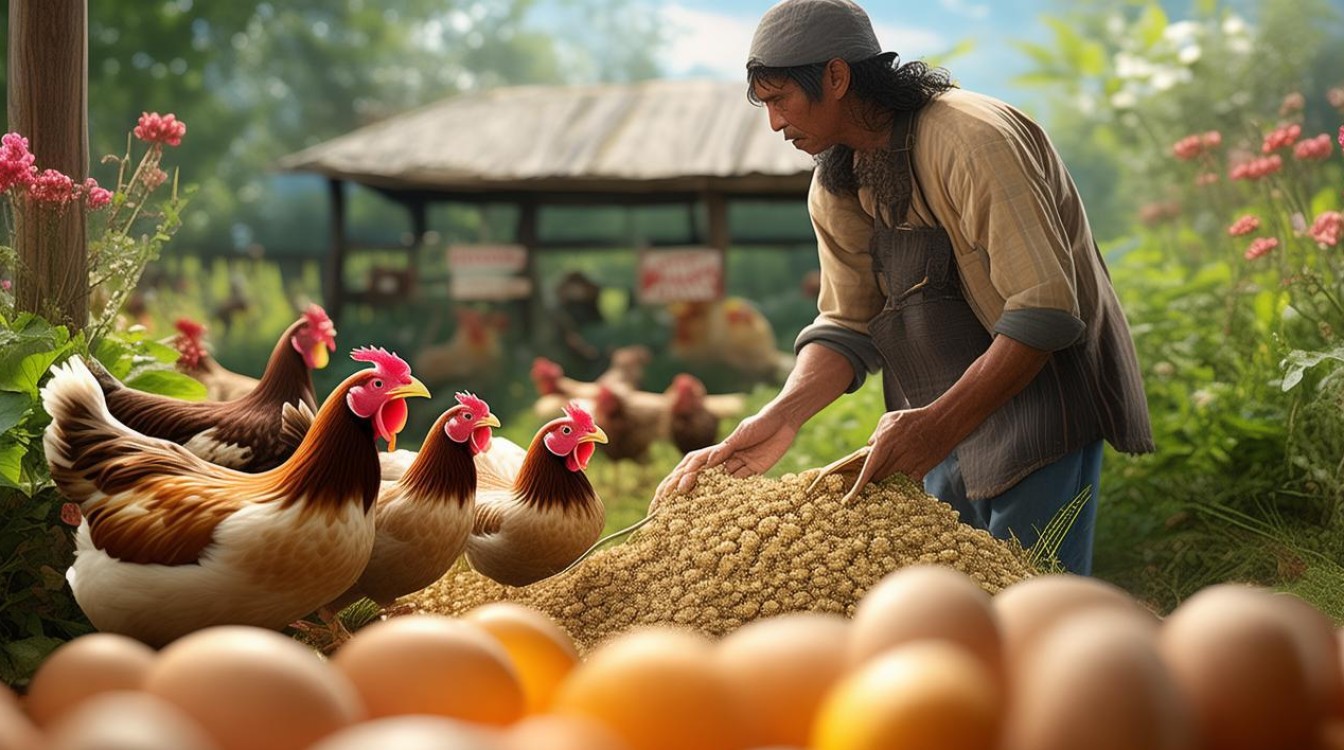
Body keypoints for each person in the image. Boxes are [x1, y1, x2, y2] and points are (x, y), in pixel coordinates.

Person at [655, 0, 1153, 575]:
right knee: (955, 607)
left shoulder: (972, 139)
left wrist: (939, 424)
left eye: (779, 99)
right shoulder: (836, 180)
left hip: (1039, 398)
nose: (774, 123)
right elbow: (847, 324)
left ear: (836, 77)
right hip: (933, 417)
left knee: (1036, 602)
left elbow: (1044, 309)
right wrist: (782, 417)